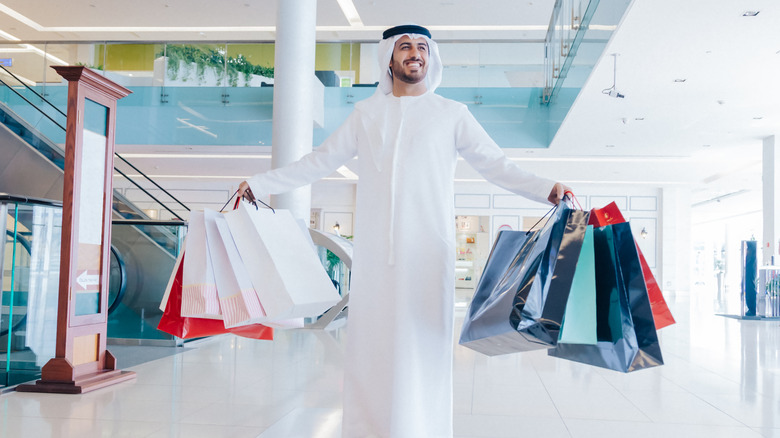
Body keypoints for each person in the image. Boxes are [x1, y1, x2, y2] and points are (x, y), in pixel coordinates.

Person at [238, 24, 570, 438]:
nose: (415, 53)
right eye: (405, 46)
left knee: (423, 353)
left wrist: (546, 189)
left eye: (422, 47)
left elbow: (496, 165)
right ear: (388, 59)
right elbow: (318, 162)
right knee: (372, 353)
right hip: (376, 260)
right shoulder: (366, 114)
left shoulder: (452, 114)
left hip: (429, 257)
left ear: (431, 59)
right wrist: (262, 184)